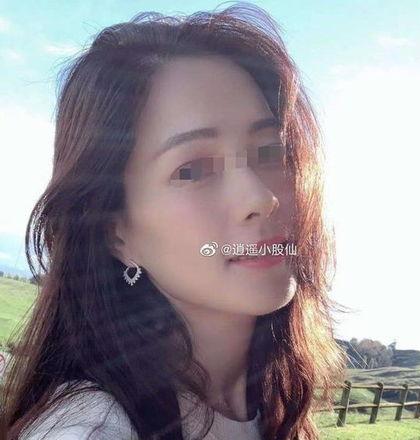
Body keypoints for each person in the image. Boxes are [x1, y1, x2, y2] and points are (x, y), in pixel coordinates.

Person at [0, 2, 347, 439]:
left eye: (269, 152)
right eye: (193, 170)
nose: (262, 197)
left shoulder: (272, 401)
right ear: (114, 232)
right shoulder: (91, 429)